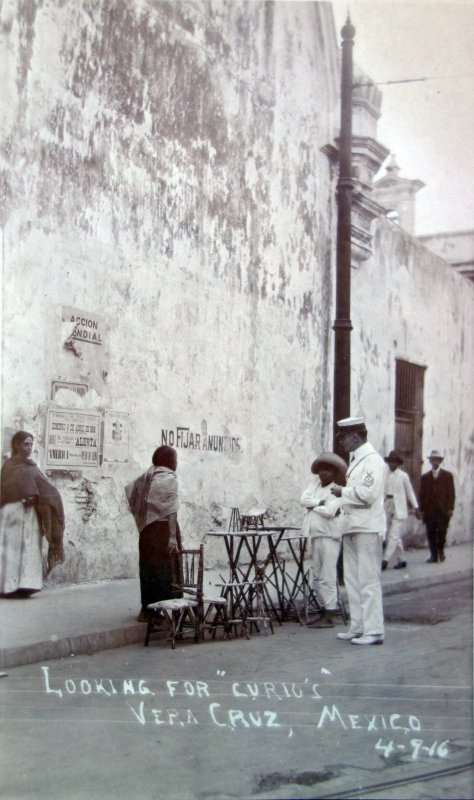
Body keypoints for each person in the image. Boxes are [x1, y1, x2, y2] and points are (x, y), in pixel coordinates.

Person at [331, 417, 386, 646]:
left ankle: (374, 630)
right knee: (353, 580)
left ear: (355, 437)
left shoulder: (373, 461)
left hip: (367, 527)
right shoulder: (356, 460)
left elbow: (368, 494)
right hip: (352, 526)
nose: (341, 443)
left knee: (368, 580)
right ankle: (359, 626)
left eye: (343, 438)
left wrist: (342, 492)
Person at [0, 431, 65, 597]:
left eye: (31, 444)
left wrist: (51, 499)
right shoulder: (8, 466)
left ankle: (26, 586)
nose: (29, 448)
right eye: (25, 444)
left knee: (29, 550)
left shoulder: (32, 467)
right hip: (12, 514)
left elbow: (45, 488)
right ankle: (8, 588)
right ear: (17, 445)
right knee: (12, 550)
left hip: (30, 515)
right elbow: (5, 490)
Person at [125, 445, 182, 622]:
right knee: (166, 571)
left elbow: (130, 492)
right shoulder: (169, 479)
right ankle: (165, 610)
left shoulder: (146, 478)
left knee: (149, 570)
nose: (177, 462)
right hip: (165, 531)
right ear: (170, 461)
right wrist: (172, 536)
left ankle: (147, 611)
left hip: (148, 532)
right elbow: (171, 509)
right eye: (175, 459)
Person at [300, 452, 347, 628]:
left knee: (328, 575)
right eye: (321, 470)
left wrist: (314, 505)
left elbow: (330, 511)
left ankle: (330, 613)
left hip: (329, 537)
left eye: (327, 470)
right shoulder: (314, 486)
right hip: (315, 535)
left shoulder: (337, 490)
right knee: (318, 575)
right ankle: (325, 608)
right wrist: (320, 503)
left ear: (334, 473)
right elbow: (303, 500)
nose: (323, 474)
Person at [382, 450, 421, 571]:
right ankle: (402, 560)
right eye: (390, 462)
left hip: (399, 506)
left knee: (393, 535)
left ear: (398, 464)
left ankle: (385, 560)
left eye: (394, 462)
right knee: (393, 534)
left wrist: (416, 507)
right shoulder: (384, 474)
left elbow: (409, 492)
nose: (391, 464)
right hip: (387, 505)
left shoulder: (403, 476)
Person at [419, 449, 455, 564]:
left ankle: (441, 550)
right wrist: (421, 509)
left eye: (437, 460)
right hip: (430, 511)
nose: (435, 462)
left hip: (443, 511)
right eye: (433, 460)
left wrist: (450, 508)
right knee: (431, 533)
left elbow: (451, 493)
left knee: (442, 532)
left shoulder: (447, 476)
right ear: (430, 462)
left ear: (440, 461)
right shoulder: (425, 477)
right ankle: (433, 556)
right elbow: (421, 494)